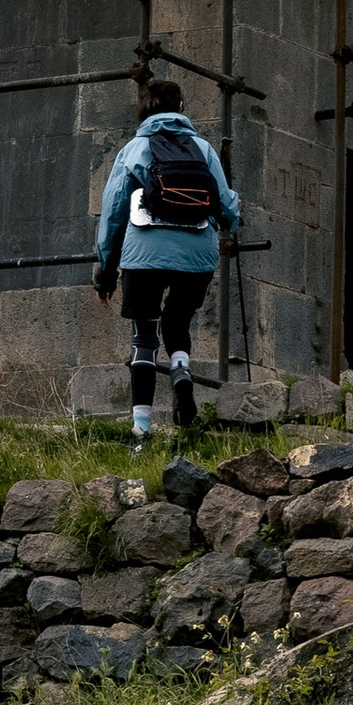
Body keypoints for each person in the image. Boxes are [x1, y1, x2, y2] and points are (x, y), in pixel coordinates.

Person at [92, 82, 238, 439]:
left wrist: (106, 273)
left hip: (145, 253)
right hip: (197, 252)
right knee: (177, 324)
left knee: (144, 338)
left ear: (143, 110)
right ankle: (182, 372)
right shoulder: (202, 149)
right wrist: (229, 226)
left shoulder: (134, 149)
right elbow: (226, 204)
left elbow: (113, 214)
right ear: (182, 107)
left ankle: (141, 431)